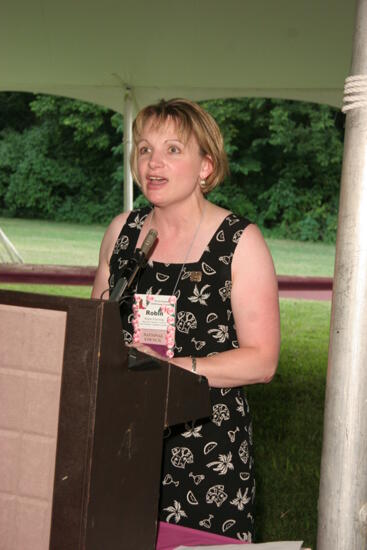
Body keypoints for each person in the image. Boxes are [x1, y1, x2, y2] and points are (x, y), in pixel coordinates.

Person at [92, 98, 280, 544]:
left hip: (207, 448)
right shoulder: (122, 232)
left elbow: (262, 360)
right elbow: (93, 331)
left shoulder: (239, 241)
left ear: (205, 166)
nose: (153, 162)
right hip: (124, 439)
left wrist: (170, 371)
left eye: (173, 149)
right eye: (144, 149)